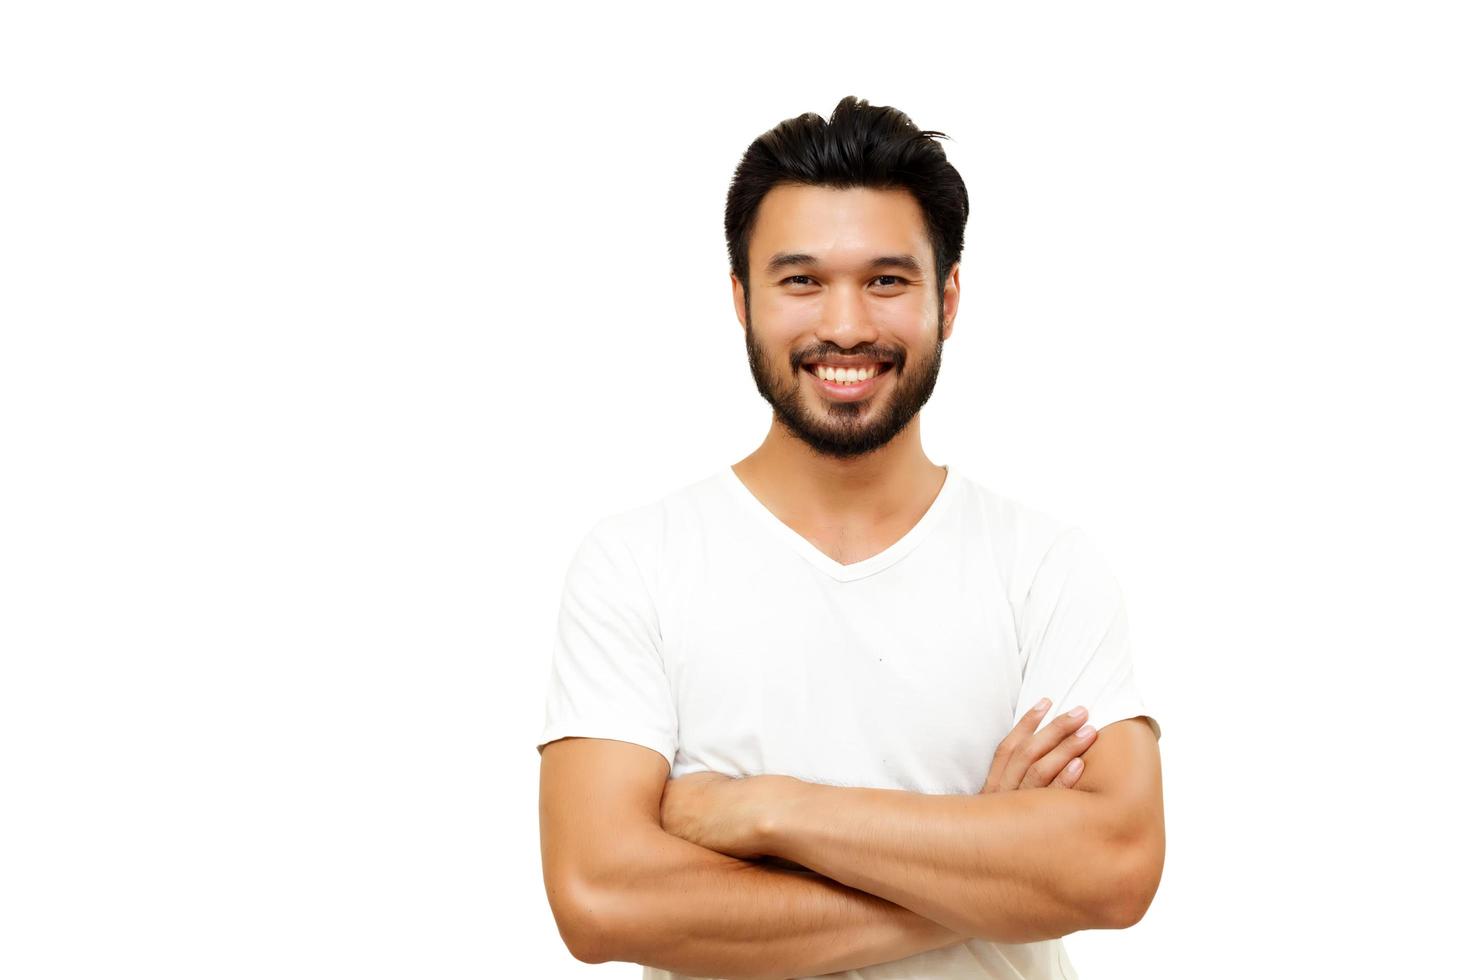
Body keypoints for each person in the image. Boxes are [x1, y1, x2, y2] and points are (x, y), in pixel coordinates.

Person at [536, 95, 1164, 980]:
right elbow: (603, 902)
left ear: (947, 298)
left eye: (887, 280)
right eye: (801, 281)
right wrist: (985, 868)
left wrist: (768, 813)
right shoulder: (638, 564)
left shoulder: (1044, 567)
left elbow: (1115, 867)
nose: (845, 326)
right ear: (741, 299)